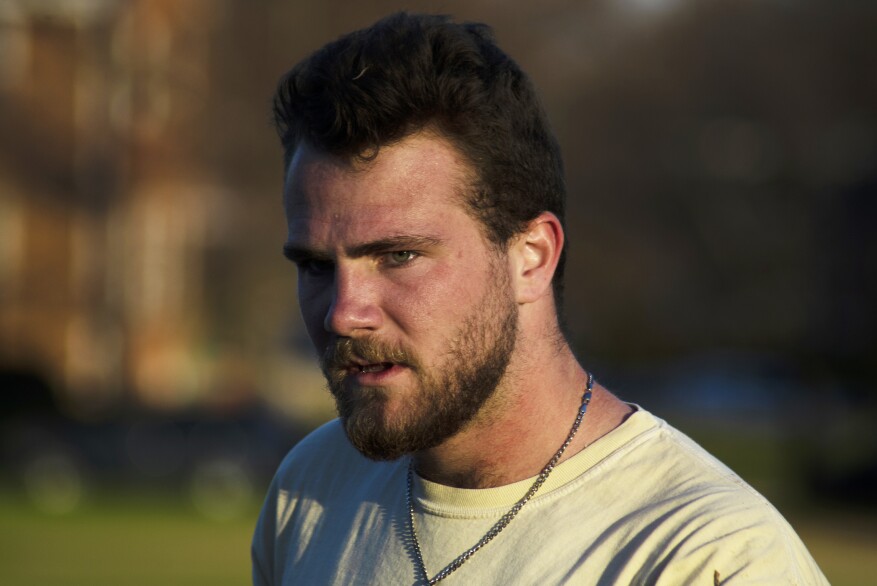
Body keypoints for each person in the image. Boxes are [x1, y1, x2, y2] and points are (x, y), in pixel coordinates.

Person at [252, 12, 829, 586]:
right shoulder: (311, 487)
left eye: (398, 256)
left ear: (531, 256)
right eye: (315, 265)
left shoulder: (710, 556)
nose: (344, 312)